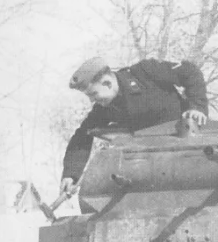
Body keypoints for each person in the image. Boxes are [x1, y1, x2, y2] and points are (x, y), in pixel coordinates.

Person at [60, 56, 209, 195]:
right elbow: (82, 135)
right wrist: (71, 174)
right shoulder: (105, 108)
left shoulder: (145, 73)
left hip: (187, 148)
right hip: (152, 163)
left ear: (107, 83)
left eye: (93, 94)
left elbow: (189, 72)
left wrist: (196, 106)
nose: (92, 101)